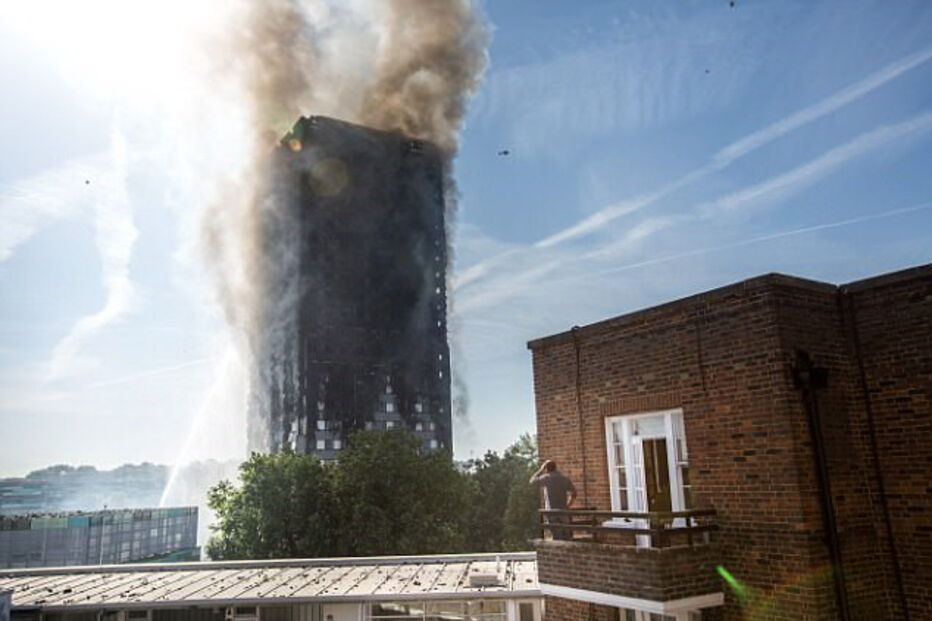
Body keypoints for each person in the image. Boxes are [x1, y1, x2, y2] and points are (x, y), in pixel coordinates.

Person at [530, 459, 577, 539]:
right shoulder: (564, 478)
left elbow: (532, 481)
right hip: (563, 510)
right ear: (555, 467)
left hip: (551, 511)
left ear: (546, 469)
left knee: (556, 535)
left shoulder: (546, 478)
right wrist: (568, 504)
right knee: (567, 535)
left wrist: (541, 470)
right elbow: (574, 493)